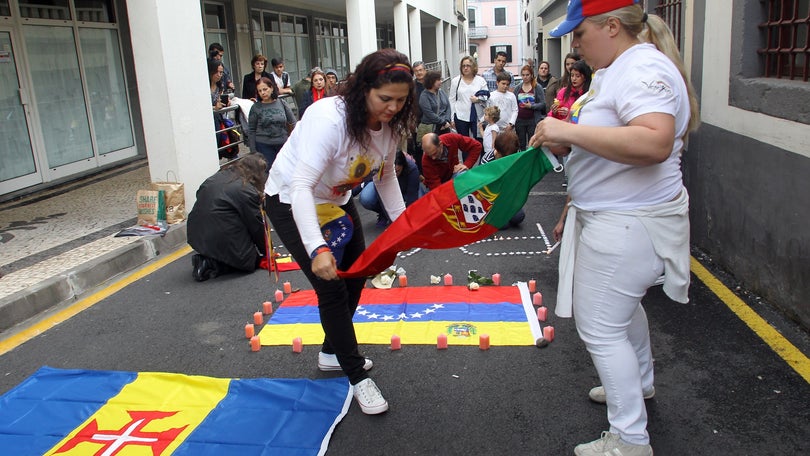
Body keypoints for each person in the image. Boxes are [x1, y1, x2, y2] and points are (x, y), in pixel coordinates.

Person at [529, 1, 700, 454]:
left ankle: (629, 438)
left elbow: (654, 140)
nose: (575, 43)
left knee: (601, 327)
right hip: (615, 216)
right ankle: (638, 383)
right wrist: (567, 138)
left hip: (628, 221)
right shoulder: (615, 68)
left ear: (611, 26)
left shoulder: (641, 67)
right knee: (623, 314)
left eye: (580, 33)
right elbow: (610, 136)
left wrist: (568, 134)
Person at [263, 48, 417, 415]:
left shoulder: (390, 125)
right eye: (385, 99)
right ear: (363, 89)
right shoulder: (329, 120)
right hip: (291, 199)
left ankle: (333, 352)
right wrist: (317, 248)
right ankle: (356, 376)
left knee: (357, 275)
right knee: (331, 289)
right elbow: (300, 186)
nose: (393, 108)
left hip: (336, 198)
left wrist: (405, 224)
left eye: (400, 101)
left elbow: (386, 177)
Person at [188, 154, 268, 282]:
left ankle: (210, 257)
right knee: (249, 261)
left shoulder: (217, 177)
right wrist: (267, 251)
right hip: (220, 231)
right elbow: (255, 225)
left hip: (196, 234)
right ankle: (212, 264)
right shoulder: (246, 190)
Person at [358, 150, 420, 227]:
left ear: (403, 166)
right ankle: (383, 214)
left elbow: (412, 196)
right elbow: (381, 195)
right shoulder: (380, 166)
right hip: (384, 186)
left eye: (397, 171)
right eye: (393, 171)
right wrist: (388, 217)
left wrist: (408, 221)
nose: (395, 174)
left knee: (420, 203)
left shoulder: (412, 168)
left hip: (405, 190)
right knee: (366, 198)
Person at [248, 77, 296, 169]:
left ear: (272, 88)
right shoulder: (255, 107)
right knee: (269, 171)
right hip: (264, 145)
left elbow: (293, 122)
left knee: (285, 170)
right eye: (260, 91)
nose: (263, 93)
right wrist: (253, 151)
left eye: (265, 89)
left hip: (283, 143)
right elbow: (251, 130)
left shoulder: (282, 103)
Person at [490, 130, 525, 229]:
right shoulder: (488, 160)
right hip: (492, 199)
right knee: (503, 225)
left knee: (519, 217)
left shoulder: (515, 159)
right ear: (497, 150)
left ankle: (503, 216)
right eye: (504, 156)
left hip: (507, 198)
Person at [449, 56, 488, 140]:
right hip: (460, 115)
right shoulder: (456, 81)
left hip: (477, 116)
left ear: (473, 67)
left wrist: (478, 99)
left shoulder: (480, 80)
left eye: (468, 66)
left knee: (479, 141)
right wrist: (452, 118)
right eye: (463, 66)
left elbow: (486, 97)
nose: (465, 68)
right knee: (464, 143)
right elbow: (452, 100)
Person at [513, 64, 546, 150]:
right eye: (523, 75)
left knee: (533, 143)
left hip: (532, 120)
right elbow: (514, 103)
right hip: (519, 120)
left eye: (527, 75)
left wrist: (531, 106)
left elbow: (543, 104)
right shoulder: (518, 88)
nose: (525, 77)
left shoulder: (537, 87)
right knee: (521, 144)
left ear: (531, 75)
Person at [418, 70, 452, 139]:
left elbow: (448, 106)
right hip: (432, 128)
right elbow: (429, 113)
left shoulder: (441, 92)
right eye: (438, 80)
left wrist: (447, 120)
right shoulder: (424, 96)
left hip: (445, 127)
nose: (441, 82)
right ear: (431, 81)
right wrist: (443, 122)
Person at [545, 52, 580, 116]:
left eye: (572, 63)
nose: (570, 66)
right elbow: (557, 100)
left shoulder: (584, 85)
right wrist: (554, 110)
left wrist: (570, 113)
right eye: (567, 64)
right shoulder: (560, 81)